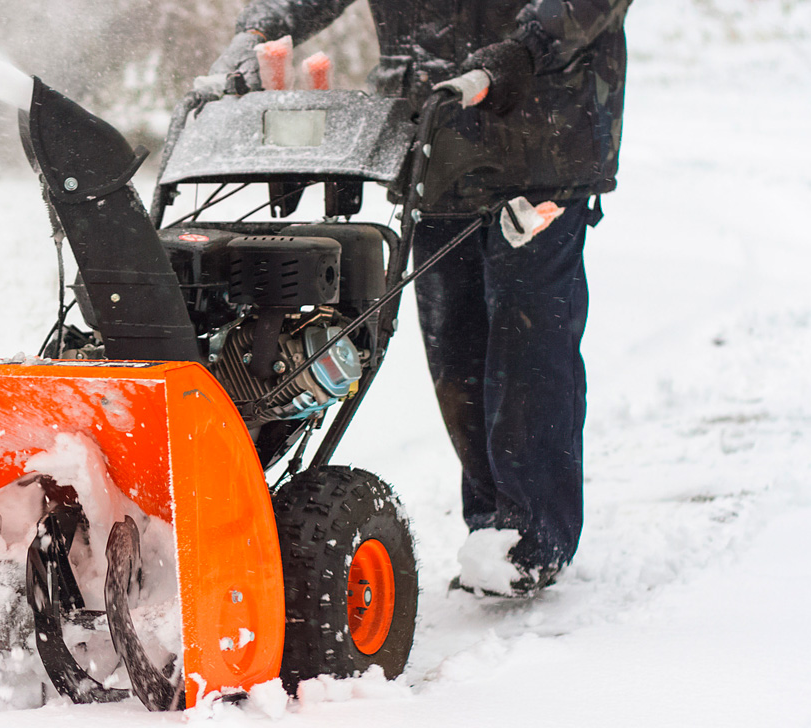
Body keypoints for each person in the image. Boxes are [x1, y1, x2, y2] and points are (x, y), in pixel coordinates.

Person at [209, 0, 631, 596]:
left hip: (542, 138)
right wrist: (260, 30)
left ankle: (533, 536)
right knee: (454, 350)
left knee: (527, 344)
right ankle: (490, 527)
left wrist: (524, 49)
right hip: (438, 146)